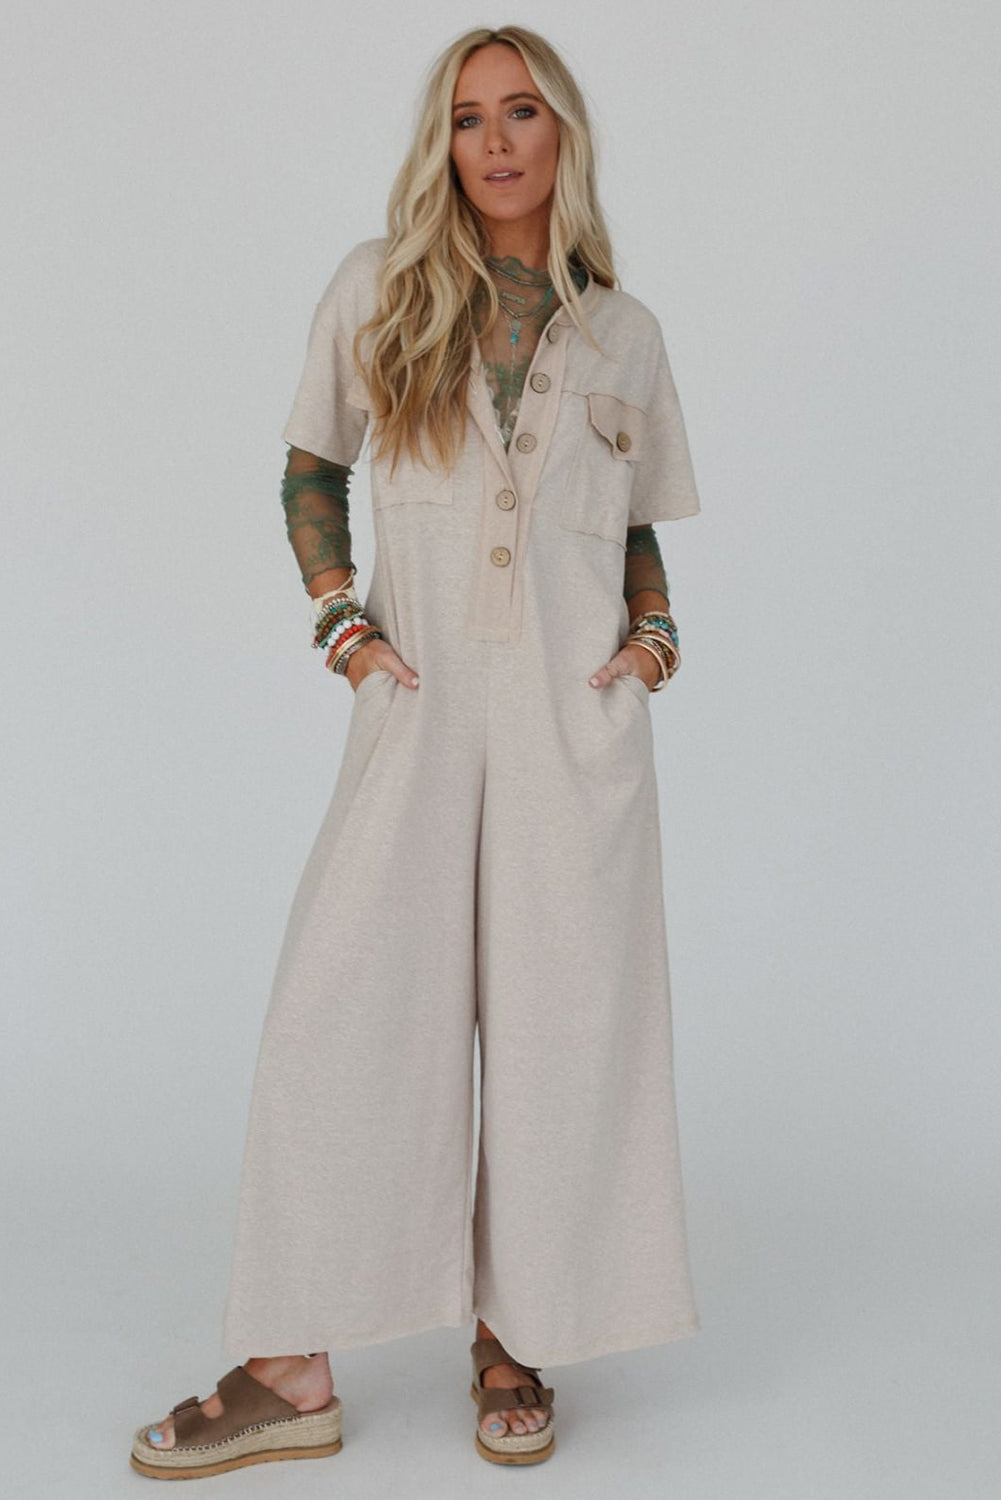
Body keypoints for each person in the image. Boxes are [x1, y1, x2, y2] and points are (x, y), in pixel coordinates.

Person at [130, 23, 702, 1478]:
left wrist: (652, 641)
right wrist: (343, 624)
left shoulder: (625, 332)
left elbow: (634, 522)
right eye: (465, 118)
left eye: (521, 112)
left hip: (572, 721)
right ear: (440, 142)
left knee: (561, 1031)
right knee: (341, 1009)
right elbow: (310, 465)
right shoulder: (378, 288)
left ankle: (516, 1339)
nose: (494, 141)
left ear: (564, 132)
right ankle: (291, 1363)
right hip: (422, 694)